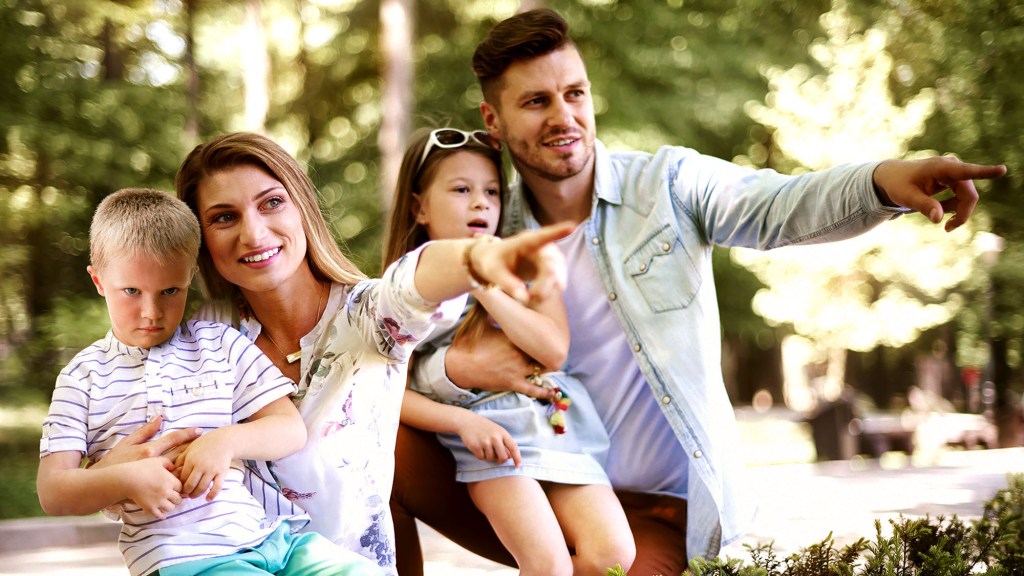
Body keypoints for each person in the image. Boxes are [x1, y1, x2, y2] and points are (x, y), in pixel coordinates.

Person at [391, 8, 1009, 576]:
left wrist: (884, 183)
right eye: (536, 101)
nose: (564, 116)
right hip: (536, 480)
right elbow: (395, 352)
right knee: (374, 437)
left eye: (574, 93)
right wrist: (454, 368)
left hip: (658, 513)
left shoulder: (667, 185)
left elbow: (780, 206)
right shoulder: (484, 224)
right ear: (493, 121)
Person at [149, 131, 565, 575]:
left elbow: (411, 284)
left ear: (302, 208)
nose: (253, 233)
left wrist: (476, 259)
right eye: (224, 217)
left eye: (271, 203)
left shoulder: (365, 316)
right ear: (202, 239)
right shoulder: (199, 338)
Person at [36, 188, 378, 576]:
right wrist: (124, 479)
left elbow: (288, 429)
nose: (152, 311)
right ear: (98, 281)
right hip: (186, 559)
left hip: (272, 538)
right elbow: (53, 491)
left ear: (190, 278)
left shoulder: (221, 344)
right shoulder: (81, 378)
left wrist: (225, 440)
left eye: (170, 291)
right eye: (131, 291)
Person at [383, 127, 635, 575]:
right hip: (491, 446)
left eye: (492, 192)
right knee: (547, 564)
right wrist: (463, 421)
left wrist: (487, 287)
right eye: (461, 190)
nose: (481, 202)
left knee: (612, 555)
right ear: (419, 206)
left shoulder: (529, 264)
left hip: (560, 433)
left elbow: (552, 351)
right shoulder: (410, 290)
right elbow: (389, 391)